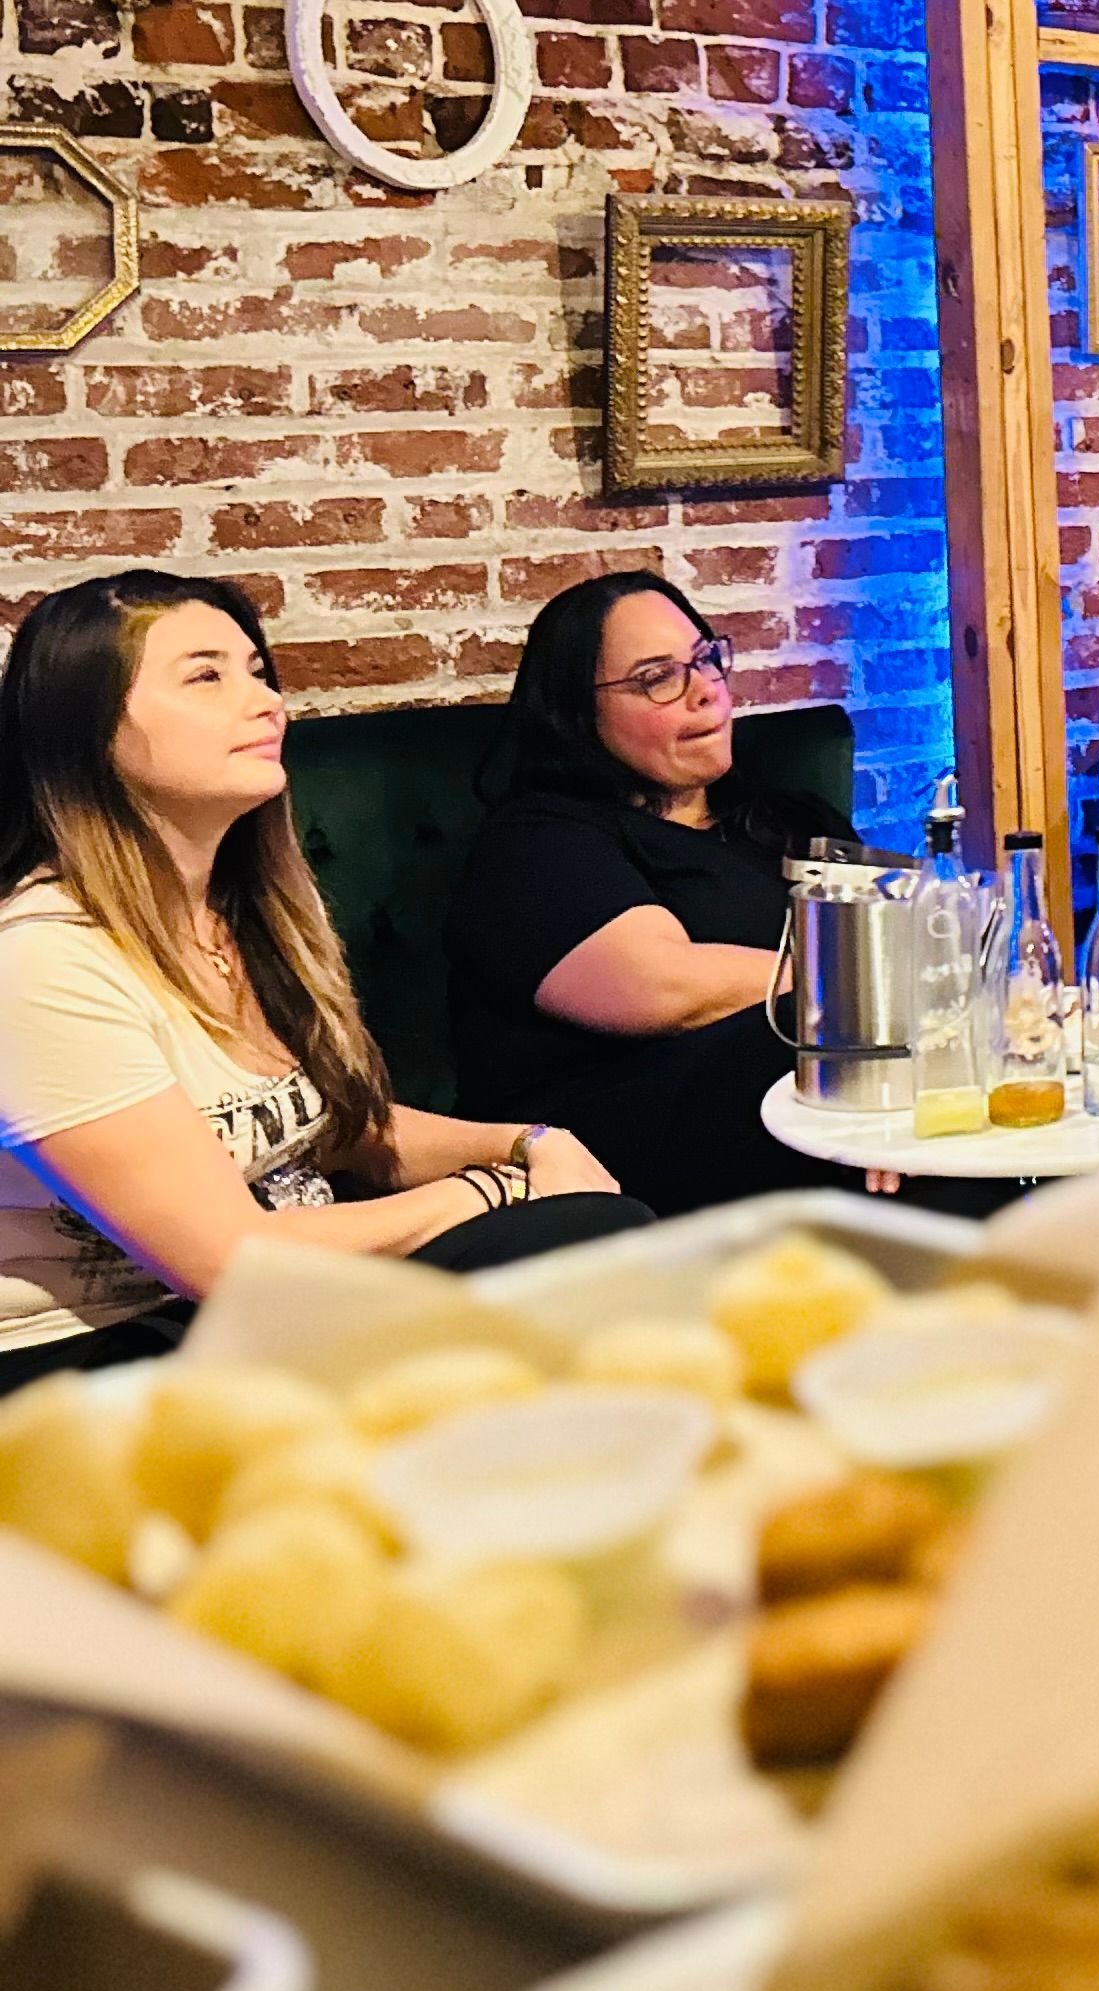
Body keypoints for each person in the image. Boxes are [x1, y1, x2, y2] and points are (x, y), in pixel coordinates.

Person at [0, 573, 650, 1391]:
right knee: (578, 1238)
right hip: (85, 1363)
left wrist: (528, 1144)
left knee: (595, 1232)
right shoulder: (42, 963)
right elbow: (230, 1263)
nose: (266, 701)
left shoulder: (246, 917)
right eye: (207, 676)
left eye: (257, 671)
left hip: (254, 1310)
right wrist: (491, 1192)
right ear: (85, 731)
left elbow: (337, 1130)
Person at [447, 572, 877, 1215]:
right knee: (807, 1031)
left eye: (705, 658)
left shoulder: (790, 819)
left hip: (810, 1140)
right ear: (577, 712)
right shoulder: (537, 840)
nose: (705, 690)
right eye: (657, 678)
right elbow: (660, 987)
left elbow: (916, 935)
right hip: (598, 1161)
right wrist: (860, 987)